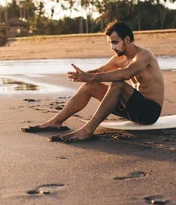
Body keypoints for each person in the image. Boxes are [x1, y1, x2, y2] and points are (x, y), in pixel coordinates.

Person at [22, 20, 164, 142]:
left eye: (115, 42)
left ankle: (87, 131)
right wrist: (84, 75)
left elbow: (126, 74)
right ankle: (56, 122)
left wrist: (92, 77)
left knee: (118, 84)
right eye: (110, 43)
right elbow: (99, 72)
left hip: (149, 112)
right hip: (131, 110)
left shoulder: (144, 55)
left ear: (127, 40)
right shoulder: (119, 59)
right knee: (89, 85)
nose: (112, 47)